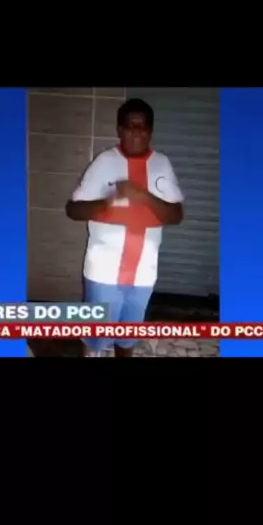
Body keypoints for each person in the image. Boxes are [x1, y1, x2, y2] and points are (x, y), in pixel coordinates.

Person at [66, 98, 184, 357]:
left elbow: (176, 215)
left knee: (128, 339)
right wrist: (106, 203)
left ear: (151, 131)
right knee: (95, 339)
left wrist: (143, 197)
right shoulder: (104, 162)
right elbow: (72, 210)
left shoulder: (162, 163)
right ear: (119, 130)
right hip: (103, 273)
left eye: (143, 126)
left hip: (144, 274)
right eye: (130, 126)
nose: (137, 132)